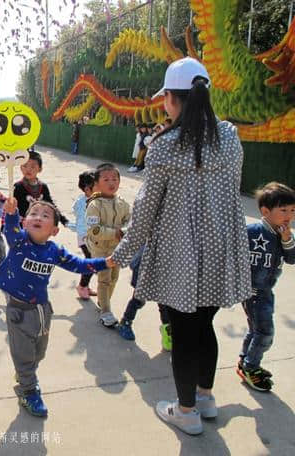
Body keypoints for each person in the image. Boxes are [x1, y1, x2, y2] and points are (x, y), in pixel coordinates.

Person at [108, 57, 252, 436]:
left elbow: (145, 211)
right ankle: (205, 398)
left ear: (172, 98)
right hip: (221, 250)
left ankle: (185, 411)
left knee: (184, 333)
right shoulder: (230, 138)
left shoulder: (165, 146)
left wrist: (119, 256)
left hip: (181, 255)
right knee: (204, 326)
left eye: (166, 98)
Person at [0, 197, 107, 417]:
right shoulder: (19, 241)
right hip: (18, 310)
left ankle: (26, 373)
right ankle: (28, 390)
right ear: (25, 222)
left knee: (39, 352)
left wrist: (105, 262)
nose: (38, 217)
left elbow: (78, 264)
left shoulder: (54, 251)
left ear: (54, 230)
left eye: (45, 216)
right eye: (34, 213)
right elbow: (10, 228)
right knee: (24, 354)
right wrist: (12, 212)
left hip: (42, 309)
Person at [237, 182, 295, 392]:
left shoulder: (285, 234)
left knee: (256, 330)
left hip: (266, 290)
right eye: (284, 210)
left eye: (293, 210)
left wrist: (287, 239)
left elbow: (292, 259)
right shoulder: (252, 231)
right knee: (265, 333)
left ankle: (246, 361)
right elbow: (234, 253)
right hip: (252, 291)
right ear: (265, 211)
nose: (289, 215)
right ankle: (251, 367)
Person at [86, 163, 130, 327]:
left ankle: (103, 301)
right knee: (104, 279)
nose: (111, 182)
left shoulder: (123, 203)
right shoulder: (94, 205)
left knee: (114, 278)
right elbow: (94, 230)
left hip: (117, 248)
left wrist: (124, 230)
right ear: (97, 184)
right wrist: (115, 233)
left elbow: (129, 220)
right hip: (100, 249)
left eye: (115, 179)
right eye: (106, 179)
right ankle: (105, 311)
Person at [115, 247, 172, 350]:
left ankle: (167, 330)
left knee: (164, 304)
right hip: (145, 268)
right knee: (138, 300)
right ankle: (125, 322)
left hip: (164, 270)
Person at [12, 151, 68, 225]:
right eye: (25, 166)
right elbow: (12, 208)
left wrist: (63, 220)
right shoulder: (18, 186)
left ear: (40, 169)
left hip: (39, 226)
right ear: (21, 167)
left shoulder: (43, 187)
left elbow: (50, 205)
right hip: (22, 227)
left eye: (32, 167)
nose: (28, 169)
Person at [73, 169, 97, 300]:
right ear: (88, 189)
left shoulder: (91, 200)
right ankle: (82, 286)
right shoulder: (85, 203)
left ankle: (85, 285)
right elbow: (83, 222)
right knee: (91, 262)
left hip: (91, 237)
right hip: (85, 237)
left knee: (91, 262)